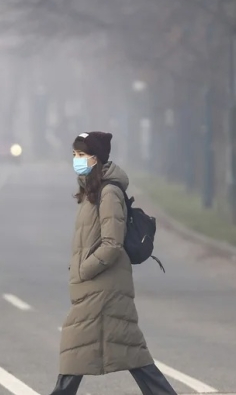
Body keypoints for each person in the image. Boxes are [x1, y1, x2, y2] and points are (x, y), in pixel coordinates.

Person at [50, 131, 178, 395]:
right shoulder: (91, 192)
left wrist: (84, 268)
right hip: (96, 288)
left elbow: (112, 243)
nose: (76, 159)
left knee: (76, 350)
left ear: (96, 158)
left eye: (82, 155)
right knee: (131, 354)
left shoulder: (108, 193)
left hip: (103, 289)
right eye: (74, 154)